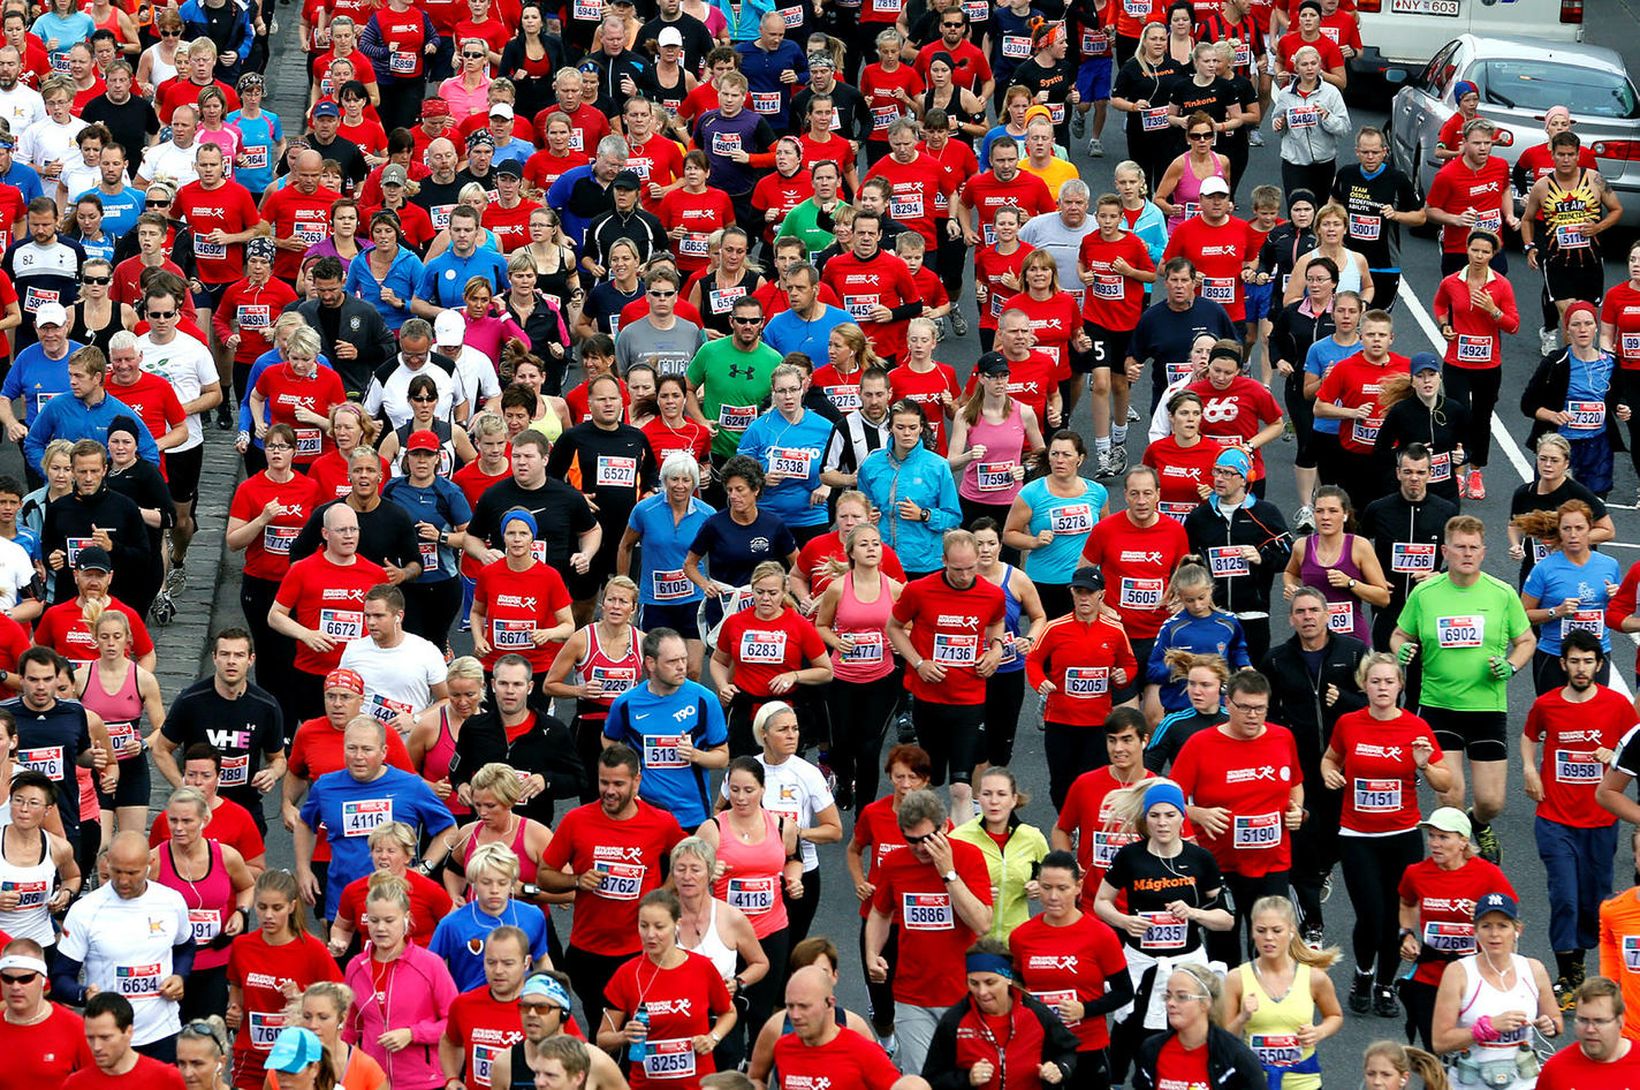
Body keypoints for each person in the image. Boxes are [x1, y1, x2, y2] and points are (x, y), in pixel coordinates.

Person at [1391, 515, 1533, 864]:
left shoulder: (1501, 594)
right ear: (1445, 551)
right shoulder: (1425, 593)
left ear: (1484, 552)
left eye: (1473, 548)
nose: (1466, 554)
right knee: (1450, 793)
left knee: (1491, 801)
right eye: (1459, 547)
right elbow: (1399, 634)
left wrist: (1511, 665)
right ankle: (1459, 863)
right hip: (1438, 705)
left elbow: (1526, 640)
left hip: (1486, 706)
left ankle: (1478, 823)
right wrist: (1401, 651)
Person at [1321, 652, 1453, 1015]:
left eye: (1389, 681)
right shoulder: (1349, 723)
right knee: (1370, 913)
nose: (1382, 688)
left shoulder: (1415, 728)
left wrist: (1425, 766)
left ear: (1399, 686)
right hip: (1357, 834)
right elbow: (1331, 757)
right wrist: (1328, 772)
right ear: (1364, 685)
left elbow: (1446, 782)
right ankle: (1363, 973)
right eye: (1375, 681)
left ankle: (1384, 984)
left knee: (1397, 916)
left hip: (1403, 833)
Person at [537, 744, 687, 1033]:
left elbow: (689, 858)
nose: (609, 790)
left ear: (636, 781)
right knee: (601, 1029)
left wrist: (663, 897)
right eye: (603, 782)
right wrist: (577, 880)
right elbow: (545, 875)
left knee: (642, 1029)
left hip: (641, 949)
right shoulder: (576, 820)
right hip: (588, 951)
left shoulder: (660, 822)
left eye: (618, 783)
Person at [1522, 630, 1634, 1003]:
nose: (1581, 668)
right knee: (1564, 895)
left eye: (1588, 661)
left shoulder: (1618, 706)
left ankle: (1582, 958)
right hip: (1554, 817)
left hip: (1600, 821)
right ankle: (1568, 973)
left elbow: (1631, 748)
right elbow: (1529, 734)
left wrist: (1612, 755)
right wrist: (1529, 769)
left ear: (1599, 665)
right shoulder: (1548, 704)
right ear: (1563, 664)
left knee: (1594, 900)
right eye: (1574, 661)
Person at [1171, 669, 1304, 962]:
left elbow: (1295, 783)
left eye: (1260, 708)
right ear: (1228, 703)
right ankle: (1227, 1007)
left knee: (1270, 947)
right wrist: (1198, 813)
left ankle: (1266, 1007)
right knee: (1223, 951)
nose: (1253, 715)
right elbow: (1168, 800)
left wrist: (1297, 810)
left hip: (1273, 863)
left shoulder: (1282, 738)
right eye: (1245, 707)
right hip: (1221, 865)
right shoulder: (1200, 744)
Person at [863, 787, 992, 1077]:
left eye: (928, 838)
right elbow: (880, 913)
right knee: (921, 1079)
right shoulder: (894, 863)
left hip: (963, 995)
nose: (921, 848)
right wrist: (872, 953)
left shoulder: (968, 857)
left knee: (966, 1078)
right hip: (912, 996)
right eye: (912, 841)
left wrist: (948, 873)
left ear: (945, 826)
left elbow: (982, 923)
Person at [294, 717, 457, 924]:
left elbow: (449, 829)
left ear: (384, 752)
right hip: (344, 900)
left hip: (397, 902)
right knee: (340, 950)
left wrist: (423, 869)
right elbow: (304, 823)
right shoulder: (326, 786)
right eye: (351, 748)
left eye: (367, 749)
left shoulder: (410, 786)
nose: (358, 757)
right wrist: (303, 869)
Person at [53, 831, 193, 1062]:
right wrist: (84, 995)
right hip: (108, 1040)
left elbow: (186, 946)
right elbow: (60, 978)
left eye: (132, 873)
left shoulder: (171, 901)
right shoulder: (86, 910)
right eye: (116, 872)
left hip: (161, 1034)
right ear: (107, 863)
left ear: (150, 864)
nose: (124, 881)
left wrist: (179, 976)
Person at [1396, 807, 1518, 1050]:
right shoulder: (1416, 873)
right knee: (1434, 1050)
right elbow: (1407, 903)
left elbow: (1511, 919)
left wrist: (1485, 914)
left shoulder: (1487, 874)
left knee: (1472, 1048)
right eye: (1431, 836)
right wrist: (1406, 934)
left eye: (1443, 837)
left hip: (1475, 976)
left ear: (1463, 841)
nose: (1435, 844)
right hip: (1430, 974)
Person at [597, 888, 738, 1090]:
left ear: (677, 925)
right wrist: (623, 1036)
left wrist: (712, 1038)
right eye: (643, 926)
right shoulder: (627, 974)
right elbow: (602, 1039)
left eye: (659, 926)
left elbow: (729, 1012)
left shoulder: (702, 968)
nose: (650, 935)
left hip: (698, 1085)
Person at [340, 872, 461, 1090]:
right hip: (373, 1081)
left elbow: (453, 1023)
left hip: (423, 1082)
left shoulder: (430, 964)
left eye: (389, 920)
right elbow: (351, 1026)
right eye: (374, 920)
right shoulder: (356, 968)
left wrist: (412, 1034)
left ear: (405, 918)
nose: (380, 928)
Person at [1429, 892, 1562, 1088]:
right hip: (1471, 1083)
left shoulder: (1533, 969)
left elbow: (1557, 1022)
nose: (1494, 934)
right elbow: (1440, 1042)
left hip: (1523, 1082)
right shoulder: (1458, 973)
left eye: (1503, 926)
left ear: (1517, 930)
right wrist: (1486, 1028)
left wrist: (1549, 1025)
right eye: (1486, 926)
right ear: (1475, 931)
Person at [735, 701, 840, 948]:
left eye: (794, 728)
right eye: (783, 730)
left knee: (790, 950)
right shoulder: (745, 770)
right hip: (754, 872)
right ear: (764, 734)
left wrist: (792, 831)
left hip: (800, 876)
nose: (792, 735)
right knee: (751, 948)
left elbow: (834, 830)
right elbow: (721, 810)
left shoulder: (808, 773)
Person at [225, 869, 342, 1090]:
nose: (268, 915)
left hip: (295, 1059)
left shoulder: (312, 949)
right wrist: (235, 1009)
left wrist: (302, 999)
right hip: (251, 1055)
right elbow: (236, 988)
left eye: (277, 908)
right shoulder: (242, 946)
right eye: (262, 907)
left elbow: (340, 1001)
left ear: (292, 906)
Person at [151, 786, 257, 1021]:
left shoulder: (226, 856)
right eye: (173, 820)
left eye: (187, 821)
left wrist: (241, 912)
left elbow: (247, 886)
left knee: (209, 1036)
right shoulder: (155, 860)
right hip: (171, 964)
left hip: (216, 961)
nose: (178, 828)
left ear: (204, 820)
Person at [1181, 447, 1292, 662]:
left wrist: (1262, 557)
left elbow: (1290, 555)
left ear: (1244, 479)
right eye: (1217, 472)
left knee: (1252, 682)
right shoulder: (1199, 517)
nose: (1220, 479)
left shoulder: (1265, 513)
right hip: (1211, 613)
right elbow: (1187, 561)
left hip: (1253, 614)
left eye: (1228, 473)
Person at [1081, 466, 1192, 676]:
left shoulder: (1175, 531)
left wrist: (1181, 601)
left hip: (1160, 635)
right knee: (1122, 708)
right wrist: (1101, 607)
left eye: (1147, 493)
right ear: (1125, 496)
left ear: (1158, 494)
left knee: (1154, 709)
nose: (1141, 501)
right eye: (1134, 494)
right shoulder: (1105, 529)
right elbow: (1081, 578)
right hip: (1116, 634)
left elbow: (1184, 580)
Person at [1433, 230, 1519, 500]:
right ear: (1467, 250)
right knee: (1458, 415)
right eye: (1475, 250)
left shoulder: (1501, 286)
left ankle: (1476, 471)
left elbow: (1513, 325)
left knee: (1482, 419)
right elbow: (1439, 305)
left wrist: (1493, 309)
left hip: (1488, 365)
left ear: (1493, 255)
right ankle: (1457, 472)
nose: (1480, 256)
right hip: (1456, 362)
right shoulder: (1451, 282)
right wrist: (1445, 325)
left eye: (1485, 252)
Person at [669, 836, 769, 1062]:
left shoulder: (731, 917)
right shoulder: (662, 916)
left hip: (721, 1017)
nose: (687, 877)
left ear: (710, 872)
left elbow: (761, 963)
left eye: (695, 869)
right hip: (674, 1019)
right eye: (680, 869)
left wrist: (739, 982)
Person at [1522, 302, 1630, 500]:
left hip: (1597, 447)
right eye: (1576, 324)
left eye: (1588, 323)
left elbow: (1616, 397)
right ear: (1567, 329)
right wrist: (1553, 415)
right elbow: (1527, 404)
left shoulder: (1610, 363)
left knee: (1594, 507)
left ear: (1596, 328)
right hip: (1561, 445)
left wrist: (1621, 408)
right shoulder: (1555, 362)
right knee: (1551, 508)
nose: (1582, 329)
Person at [1518, 500, 1623, 694]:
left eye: (1579, 528)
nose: (1573, 534)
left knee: (1593, 720)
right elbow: (1522, 615)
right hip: (1555, 656)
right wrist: (1555, 612)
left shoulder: (1610, 565)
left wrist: (1617, 599)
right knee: (1553, 721)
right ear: (1559, 531)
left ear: (1590, 529)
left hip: (1596, 657)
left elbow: (1620, 615)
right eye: (1567, 528)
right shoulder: (1544, 569)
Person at [1131, 963, 1264, 1090]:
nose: (1171, 1003)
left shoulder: (1236, 1057)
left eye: (1182, 997)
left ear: (1206, 1003)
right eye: (1168, 995)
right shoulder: (1151, 1049)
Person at [0, 935, 95, 1085]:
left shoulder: (75, 1028)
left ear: (43, 980)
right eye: (7, 979)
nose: (16, 987)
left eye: (26, 979)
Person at [0, 769, 79, 947]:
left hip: (40, 944)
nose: (24, 809)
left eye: (33, 803)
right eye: (18, 801)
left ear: (47, 810)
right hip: (2, 944)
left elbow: (73, 877)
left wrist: (65, 894)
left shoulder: (59, 847)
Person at [64, 992, 188, 1089]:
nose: (97, 1047)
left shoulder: (167, 1079)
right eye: (90, 1038)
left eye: (105, 1037)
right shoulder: (75, 1085)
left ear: (128, 1032)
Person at [1536, 976, 1640, 1086]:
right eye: (1583, 1020)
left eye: (1599, 1021)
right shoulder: (1556, 1070)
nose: (1590, 1029)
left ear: (1620, 1021)